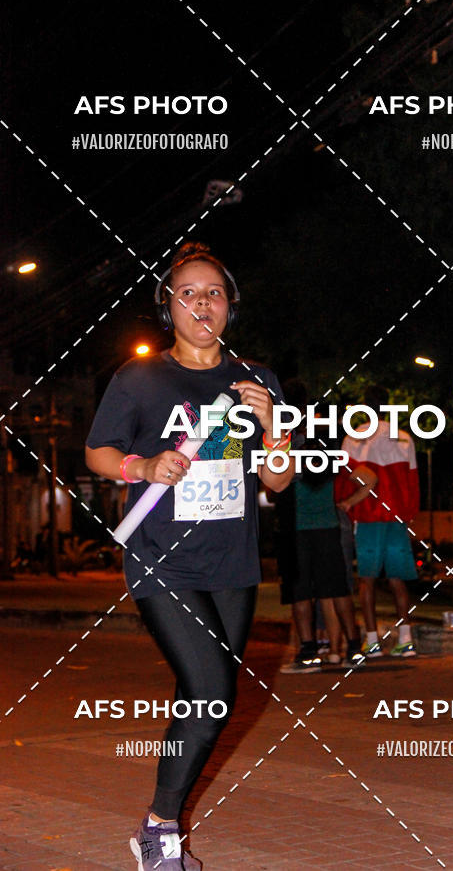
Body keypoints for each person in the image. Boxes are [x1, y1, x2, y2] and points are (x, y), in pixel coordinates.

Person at [85, 242, 294, 870]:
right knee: (210, 692)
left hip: (232, 559)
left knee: (207, 698)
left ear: (230, 305)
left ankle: (158, 824)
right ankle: (159, 831)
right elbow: (98, 452)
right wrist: (143, 464)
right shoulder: (139, 378)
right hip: (161, 558)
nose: (202, 302)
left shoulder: (258, 381)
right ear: (168, 306)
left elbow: (279, 481)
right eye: (188, 292)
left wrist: (276, 425)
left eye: (214, 293)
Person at [272, 382, 362, 672]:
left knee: (300, 594)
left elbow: (274, 486)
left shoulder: (281, 442)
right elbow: (360, 474)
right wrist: (346, 502)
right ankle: (352, 648)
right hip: (327, 526)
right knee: (336, 591)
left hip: (295, 528)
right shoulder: (328, 442)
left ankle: (309, 652)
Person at [335, 385, 420, 658]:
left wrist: (348, 508)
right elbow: (412, 482)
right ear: (387, 404)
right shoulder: (404, 437)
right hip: (396, 517)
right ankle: (405, 639)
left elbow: (346, 477)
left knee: (367, 581)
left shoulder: (354, 437)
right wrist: (408, 516)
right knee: (397, 579)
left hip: (368, 516)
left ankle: (371, 642)